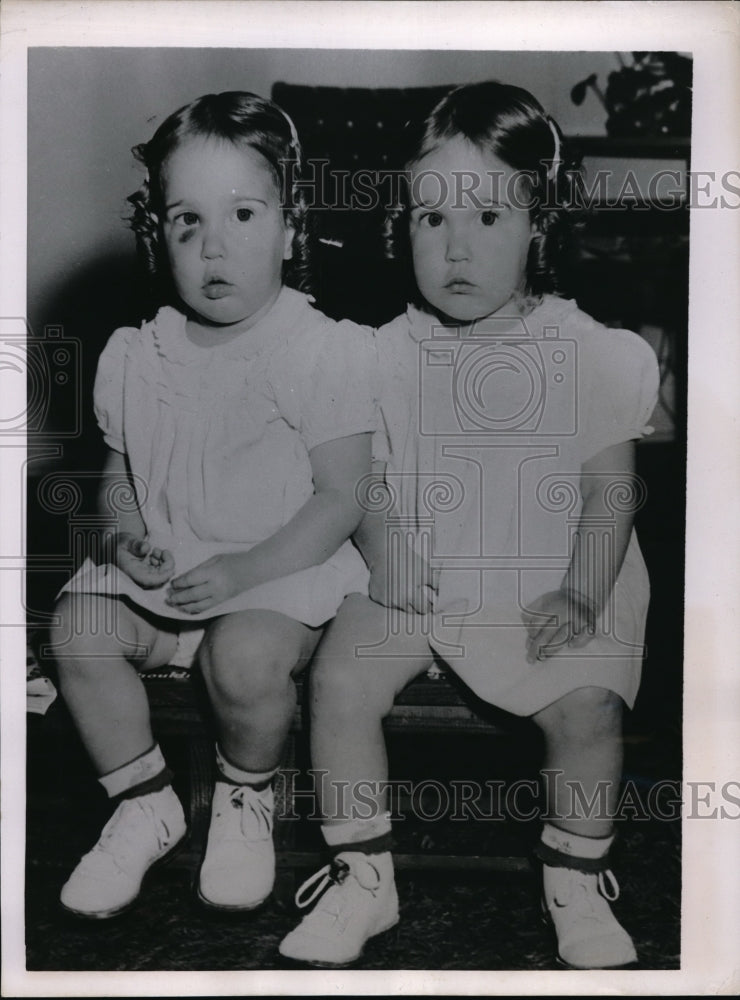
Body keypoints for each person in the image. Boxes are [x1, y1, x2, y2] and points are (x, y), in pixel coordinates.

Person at [279, 81, 660, 969]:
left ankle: (575, 874)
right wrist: (387, 549)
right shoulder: (380, 354)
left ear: (538, 225)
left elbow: (610, 495)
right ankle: (363, 876)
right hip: (422, 557)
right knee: (341, 677)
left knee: (589, 703)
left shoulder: (589, 352)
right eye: (430, 218)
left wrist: (580, 590)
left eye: (489, 218)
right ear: (400, 224)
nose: (456, 248)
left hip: (558, 568)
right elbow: (363, 478)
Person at [50, 91, 375, 920]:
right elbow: (118, 480)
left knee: (246, 660)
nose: (215, 246)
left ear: (292, 226)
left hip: (276, 573)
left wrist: (245, 570)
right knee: (78, 628)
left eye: (242, 213)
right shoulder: (134, 354)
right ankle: (143, 800)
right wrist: (125, 541)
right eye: (188, 221)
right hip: (172, 573)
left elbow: (341, 498)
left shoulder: (318, 349)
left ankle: (243, 794)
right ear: (159, 236)